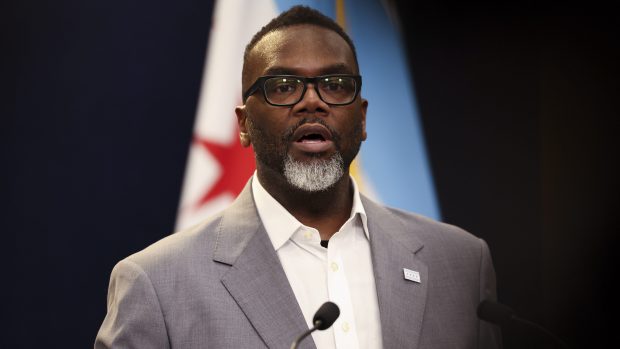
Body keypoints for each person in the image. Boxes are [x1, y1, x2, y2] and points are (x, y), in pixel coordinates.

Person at [95, 5, 501, 349]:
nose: (312, 101)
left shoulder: (460, 264)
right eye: (283, 86)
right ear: (243, 125)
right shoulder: (156, 285)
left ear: (361, 118)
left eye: (335, 84)